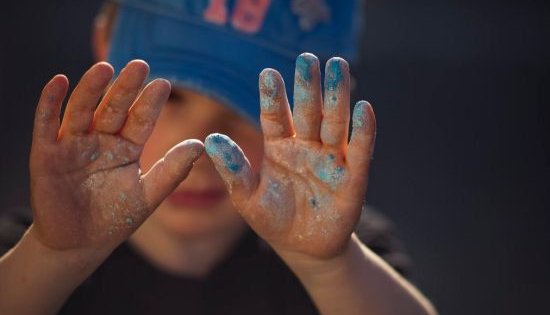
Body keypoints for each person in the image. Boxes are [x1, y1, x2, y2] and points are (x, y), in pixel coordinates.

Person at [0, 1, 437, 314]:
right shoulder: (30, 259)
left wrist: (326, 268)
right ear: (104, 45)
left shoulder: (348, 262)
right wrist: (54, 258)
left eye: (251, 108)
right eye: (169, 98)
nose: (203, 149)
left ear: (325, 105)